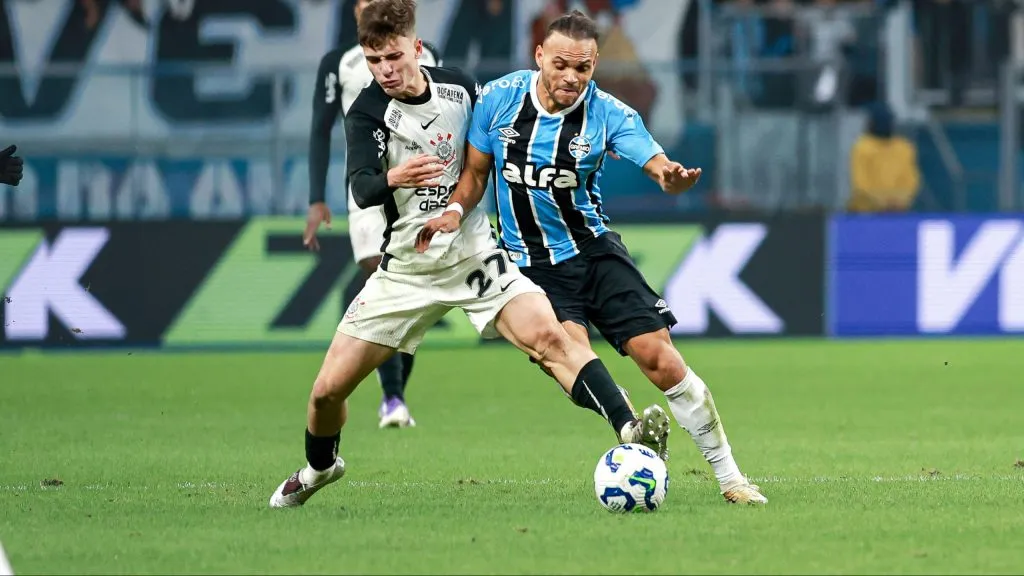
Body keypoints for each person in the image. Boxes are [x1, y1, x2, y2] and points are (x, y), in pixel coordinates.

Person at [270, 0, 670, 509]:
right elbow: (363, 188)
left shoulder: (460, 88)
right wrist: (394, 176)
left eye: (393, 57)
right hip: (408, 268)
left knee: (550, 338)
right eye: (373, 61)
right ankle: (319, 468)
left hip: (473, 252)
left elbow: (497, 145)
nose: (384, 71)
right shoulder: (368, 110)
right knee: (326, 393)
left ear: (417, 48)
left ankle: (629, 428)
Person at [416, 10, 767, 505]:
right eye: (560, 65)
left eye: (582, 68)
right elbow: (475, 174)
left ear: (595, 65)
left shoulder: (609, 114)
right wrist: (454, 211)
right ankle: (630, 426)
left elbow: (654, 162)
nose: (570, 77)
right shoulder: (497, 99)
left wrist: (669, 177)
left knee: (662, 360)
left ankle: (731, 478)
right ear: (539, 55)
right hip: (533, 268)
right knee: (570, 356)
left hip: (595, 253)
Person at [305, 0, 443, 429]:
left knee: (411, 293)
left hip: (418, 190)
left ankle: (393, 393)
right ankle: (393, 397)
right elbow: (320, 128)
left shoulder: (428, 54)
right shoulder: (339, 63)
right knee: (378, 271)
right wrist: (316, 198)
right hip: (368, 188)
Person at [847, 102, 920, 213]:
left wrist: (899, 201)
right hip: (866, 213)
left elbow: (911, 181)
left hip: (898, 211)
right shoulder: (862, 147)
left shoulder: (904, 147)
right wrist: (883, 202)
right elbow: (861, 184)